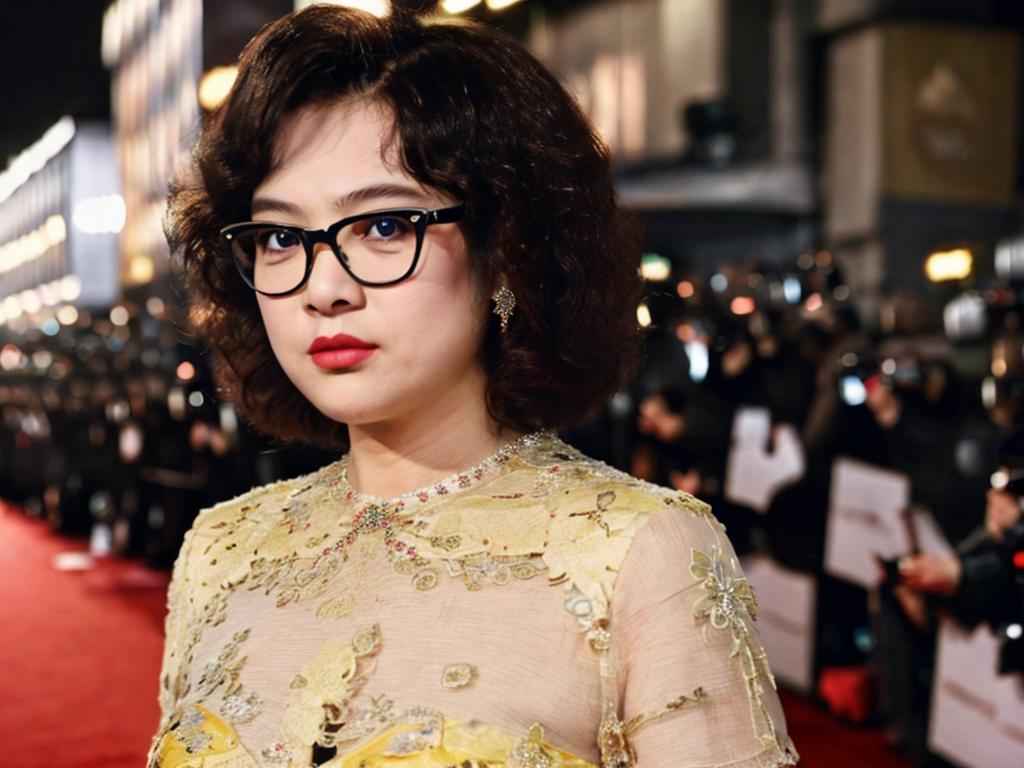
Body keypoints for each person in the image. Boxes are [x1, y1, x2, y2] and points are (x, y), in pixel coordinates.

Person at [149, 6, 797, 768]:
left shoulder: (636, 554)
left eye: (385, 226)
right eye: (282, 237)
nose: (323, 289)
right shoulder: (221, 551)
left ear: (506, 252)